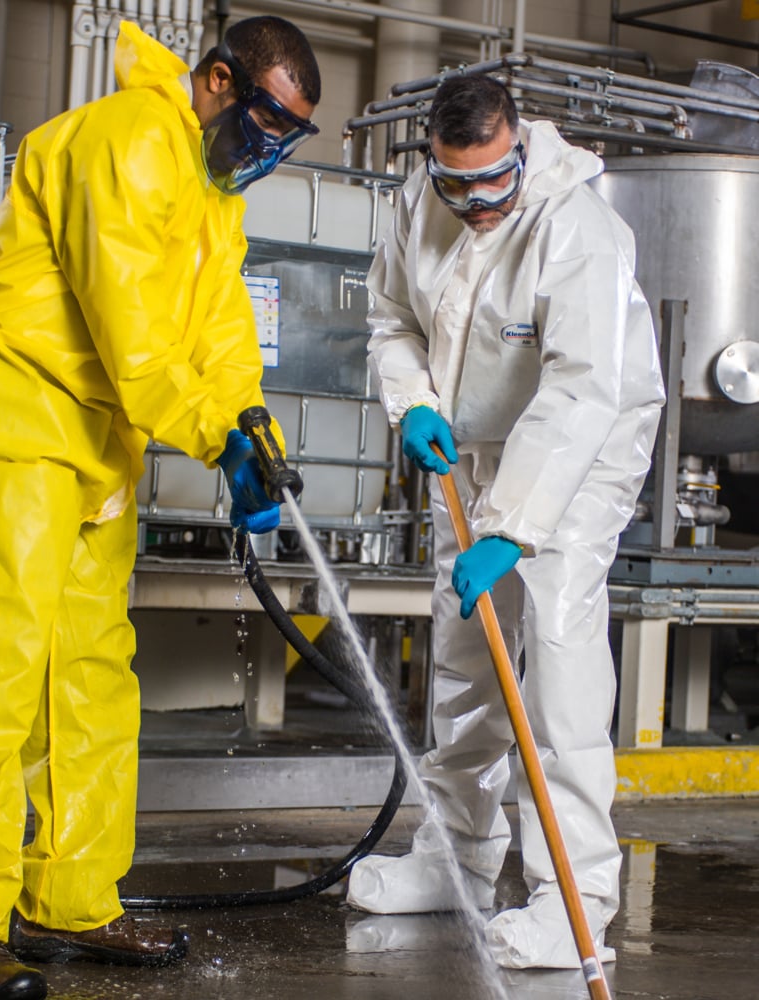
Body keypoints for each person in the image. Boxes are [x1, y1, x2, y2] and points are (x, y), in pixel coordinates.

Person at [0, 16, 320, 1000]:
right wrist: (212, 436)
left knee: (88, 676)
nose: (268, 149)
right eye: (264, 122)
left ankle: (69, 897)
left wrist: (252, 428)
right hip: (11, 419)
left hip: (96, 448)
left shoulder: (213, 195)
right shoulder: (128, 138)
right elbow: (129, 330)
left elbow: (219, 335)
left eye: (288, 137)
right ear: (217, 81)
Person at [346, 74, 664, 970]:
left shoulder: (579, 227)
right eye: (458, 186)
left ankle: (576, 903)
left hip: (584, 449)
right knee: (464, 652)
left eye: (495, 182)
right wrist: (410, 401)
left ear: (518, 145)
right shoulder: (421, 204)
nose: (479, 204)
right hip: (475, 447)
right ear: (433, 165)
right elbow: (392, 319)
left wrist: (514, 529)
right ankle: (461, 855)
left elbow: (579, 389)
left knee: (555, 667)